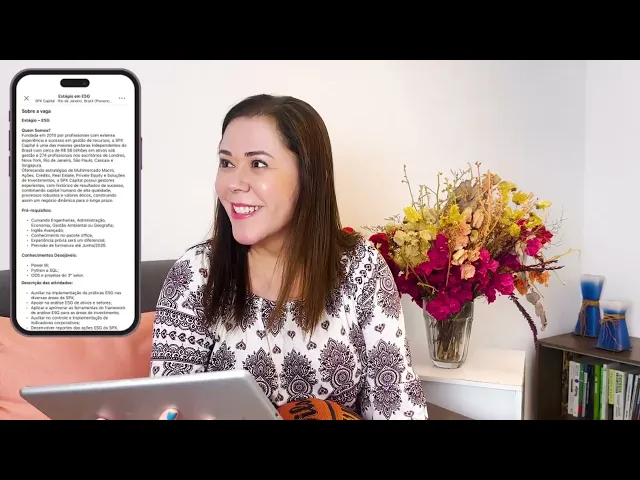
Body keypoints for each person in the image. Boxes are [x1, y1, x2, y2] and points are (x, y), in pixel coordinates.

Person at [148, 94, 428, 420]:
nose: (233, 183)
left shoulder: (361, 267)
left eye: (258, 164)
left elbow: (397, 404)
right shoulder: (196, 273)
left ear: (310, 176)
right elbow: (171, 406)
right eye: (226, 163)